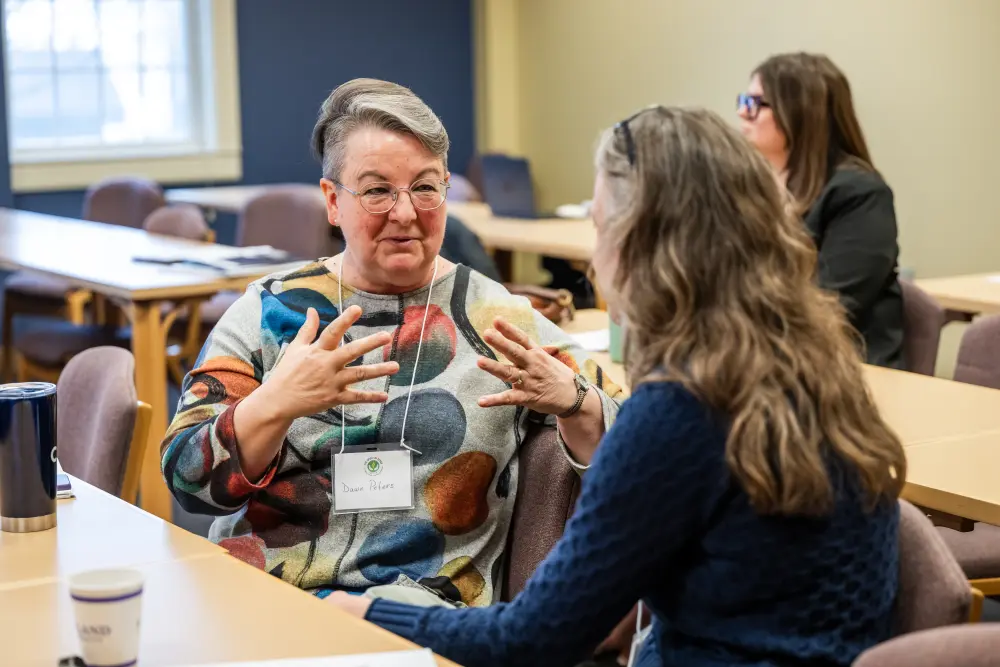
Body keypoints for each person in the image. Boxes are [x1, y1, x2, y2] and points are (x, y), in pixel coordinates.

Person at [329, 106, 907, 667]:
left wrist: (371, 615)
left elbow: (532, 639)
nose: (595, 263)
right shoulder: (814, 367)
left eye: (601, 227)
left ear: (645, 248)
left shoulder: (684, 410)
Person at [160, 78, 622, 606]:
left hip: (426, 615)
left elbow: (639, 451)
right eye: (377, 190)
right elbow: (186, 482)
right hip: (271, 600)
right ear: (333, 202)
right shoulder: (271, 311)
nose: (405, 213)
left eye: (425, 187)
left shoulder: (499, 321)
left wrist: (577, 403)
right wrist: (275, 402)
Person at [738, 52, 905, 369]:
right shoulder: (751, 187)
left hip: (843, 373)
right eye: (744, 100)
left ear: (800, 113)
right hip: (766, 362)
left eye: (756, 103)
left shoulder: (859, 194)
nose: (742, 113)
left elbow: (832, 305)